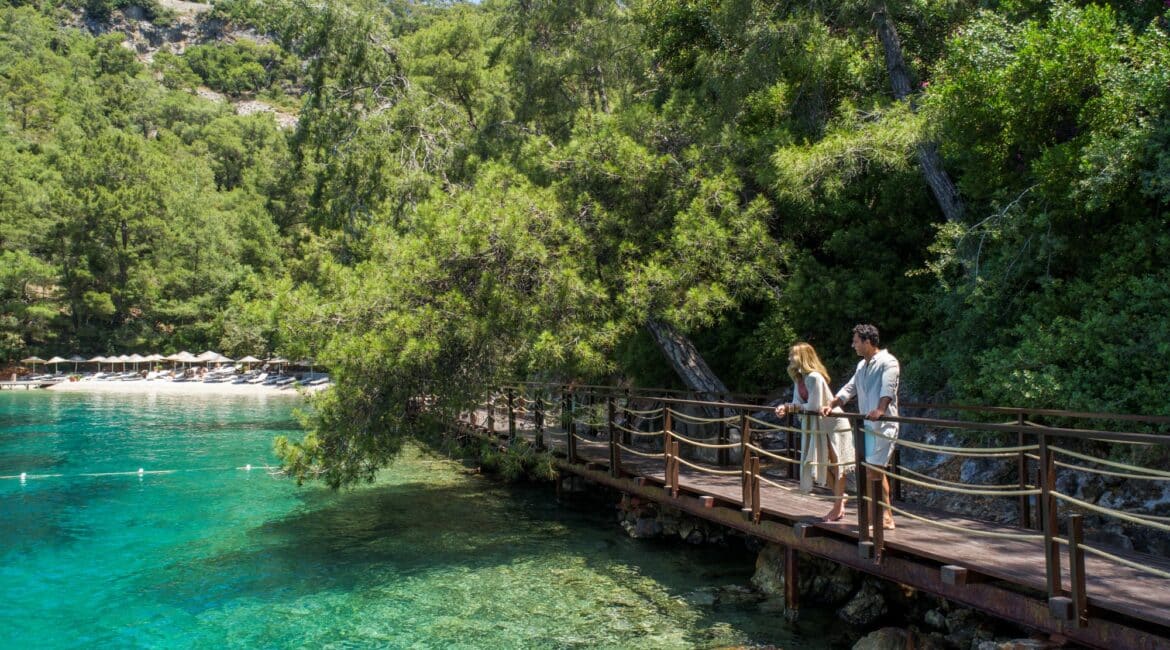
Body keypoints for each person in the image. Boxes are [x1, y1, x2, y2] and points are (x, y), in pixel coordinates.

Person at [821, 324, 900, 530]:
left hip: (884, 425)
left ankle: (877, 518)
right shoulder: (861, 366)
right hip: (868, 425)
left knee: (873, 471)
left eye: (856, 341)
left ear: (867, 341)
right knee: (875, 471)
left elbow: (888, 388)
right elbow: (850, 388)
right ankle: (886, 516)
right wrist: (832, 403)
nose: (853, 345)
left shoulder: (888, 361)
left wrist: (880, 409)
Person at [774, 342, 855, 522]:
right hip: (817, 425)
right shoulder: (799, 378)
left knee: (836, 463)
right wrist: (785, 407)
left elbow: (813, 406)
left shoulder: (814, 377)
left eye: (792, 355)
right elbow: (797, 402)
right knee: (821, 463)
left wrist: (790, 407)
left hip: (833, 424)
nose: (789, 358)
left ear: (802, 357)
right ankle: (839, 499)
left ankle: (837, 506)